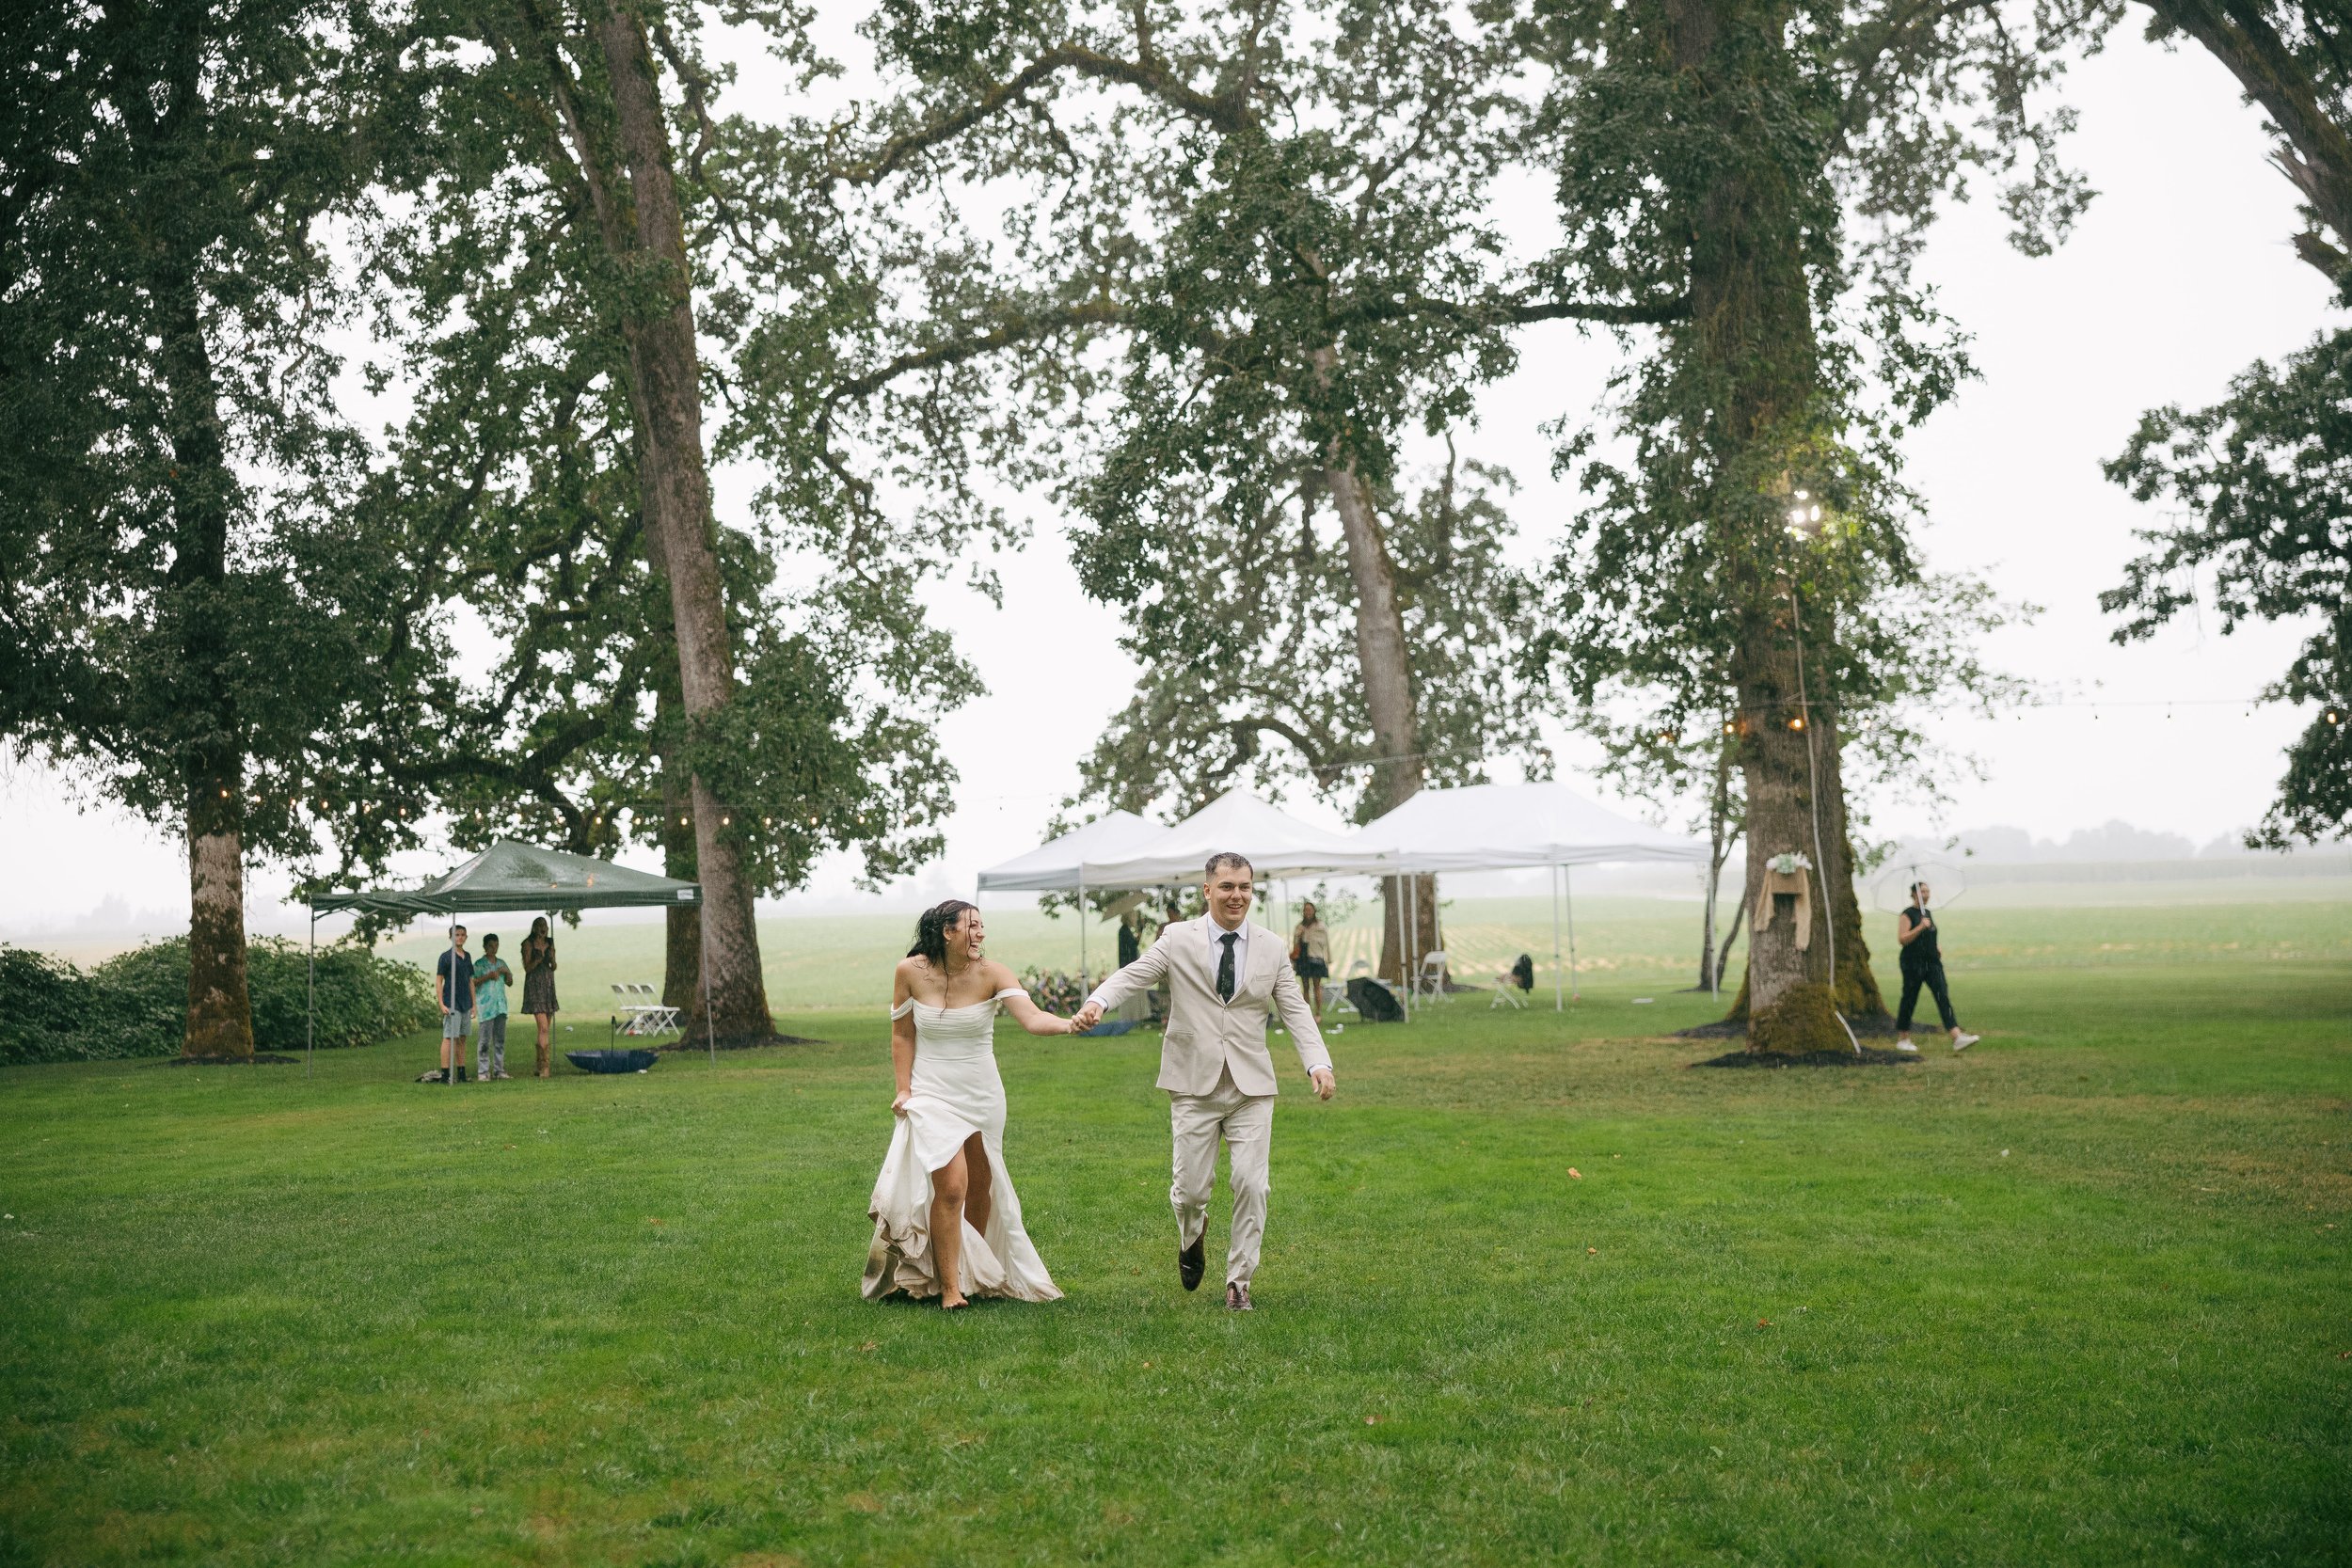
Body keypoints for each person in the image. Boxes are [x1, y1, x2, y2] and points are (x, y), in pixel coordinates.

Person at [1073, 852, 1335, 1313]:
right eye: (1228, 887)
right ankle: (1192, 1235)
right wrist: (1098, 1002)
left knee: (1252, 1184)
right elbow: (1135, 975)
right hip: (1193, 1083)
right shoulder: (1177, 939)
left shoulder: (1272, 947)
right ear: (1208, 891)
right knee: (1191, 1190)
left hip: (1251, 1086)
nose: (1237, 896)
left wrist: (1317, 1062)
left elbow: (1294, 1009)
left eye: (1245, 888)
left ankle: (1239, 1281)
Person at [865, 899, 1077, 1309]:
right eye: (972, 926)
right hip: (931, 1093)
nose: (980, 933)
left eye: (982, 926)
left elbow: (1032, 1019)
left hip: (982, 1093)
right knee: (952, 1185)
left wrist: (1069, 1024)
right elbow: (902, 1035)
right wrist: (904, 1089)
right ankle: (949, 1288)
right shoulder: (909, 971)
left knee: (982, 1184)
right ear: (948, 932)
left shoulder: (992, 973)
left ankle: (970, 1273)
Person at [1895, 880, 1980, 1053]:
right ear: (1914, 894)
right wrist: (1919, 927)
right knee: (1909, 998)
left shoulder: (1928, 913)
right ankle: (1903, 1038)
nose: (1926, 894)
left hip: (1932, 963)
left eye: (1927, 891)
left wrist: (1936, 947)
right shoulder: (1907, 914)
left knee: (1943, 995)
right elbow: (1903, 939)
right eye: (1922, 891)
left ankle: (1956, 1036)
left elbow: (1929, 937)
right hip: (1913, 963)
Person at [421, 926, 474, 1084]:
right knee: (449, 1037)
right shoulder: (445, 957)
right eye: (457, 935)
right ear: (451, 937)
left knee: (462, 1038)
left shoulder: (467, 956)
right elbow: (439, 980)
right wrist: (441, 1003)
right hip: (452, 1002)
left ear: (466, 937)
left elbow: (471, 980)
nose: (460, 937)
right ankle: (445, 1073)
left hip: (465, 1002)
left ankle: (461, 1072)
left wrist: (474, 1004)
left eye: (462, 935)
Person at [519, 916, 559, 1078]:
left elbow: (554, 966)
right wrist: (539, 959)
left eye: (545, 926)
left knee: (544, 1029)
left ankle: (539, 1065)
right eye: (540, 926)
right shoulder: (527, 944)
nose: (544, 929)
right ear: (535, 928)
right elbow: (527, 967)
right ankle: (545, 1067)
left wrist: (551, 960)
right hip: (535, 987)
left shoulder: (550, 942)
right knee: (543, 1027)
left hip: (548, 986)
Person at [473, 934, 515, 1082]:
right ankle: (483, 1071)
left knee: (500, 1040)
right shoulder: (479, 964)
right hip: (486, 1006)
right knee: (484, 1041)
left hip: (500, 1006)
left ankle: (499, 1069)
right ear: (485, 947)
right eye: (491, 946)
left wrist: (507, 973)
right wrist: (488, 976)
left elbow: (509, 982)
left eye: (496, 945)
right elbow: (473, 982)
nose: (494, 949)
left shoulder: (501, 963)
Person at [1290, 899, 1331, 1013]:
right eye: (1305, 910)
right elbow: (1295, 944)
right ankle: (1307, 1013)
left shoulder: (1320, 926)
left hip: (1316, 958)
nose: (1308, 912)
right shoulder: (1299, 927)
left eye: (1310, 910)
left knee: (1317, 986)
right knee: (1305, 986)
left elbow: (1325, 943)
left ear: (1314, 911)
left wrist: (1328, 959)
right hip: (1303, 959)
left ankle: (1318, 1013)